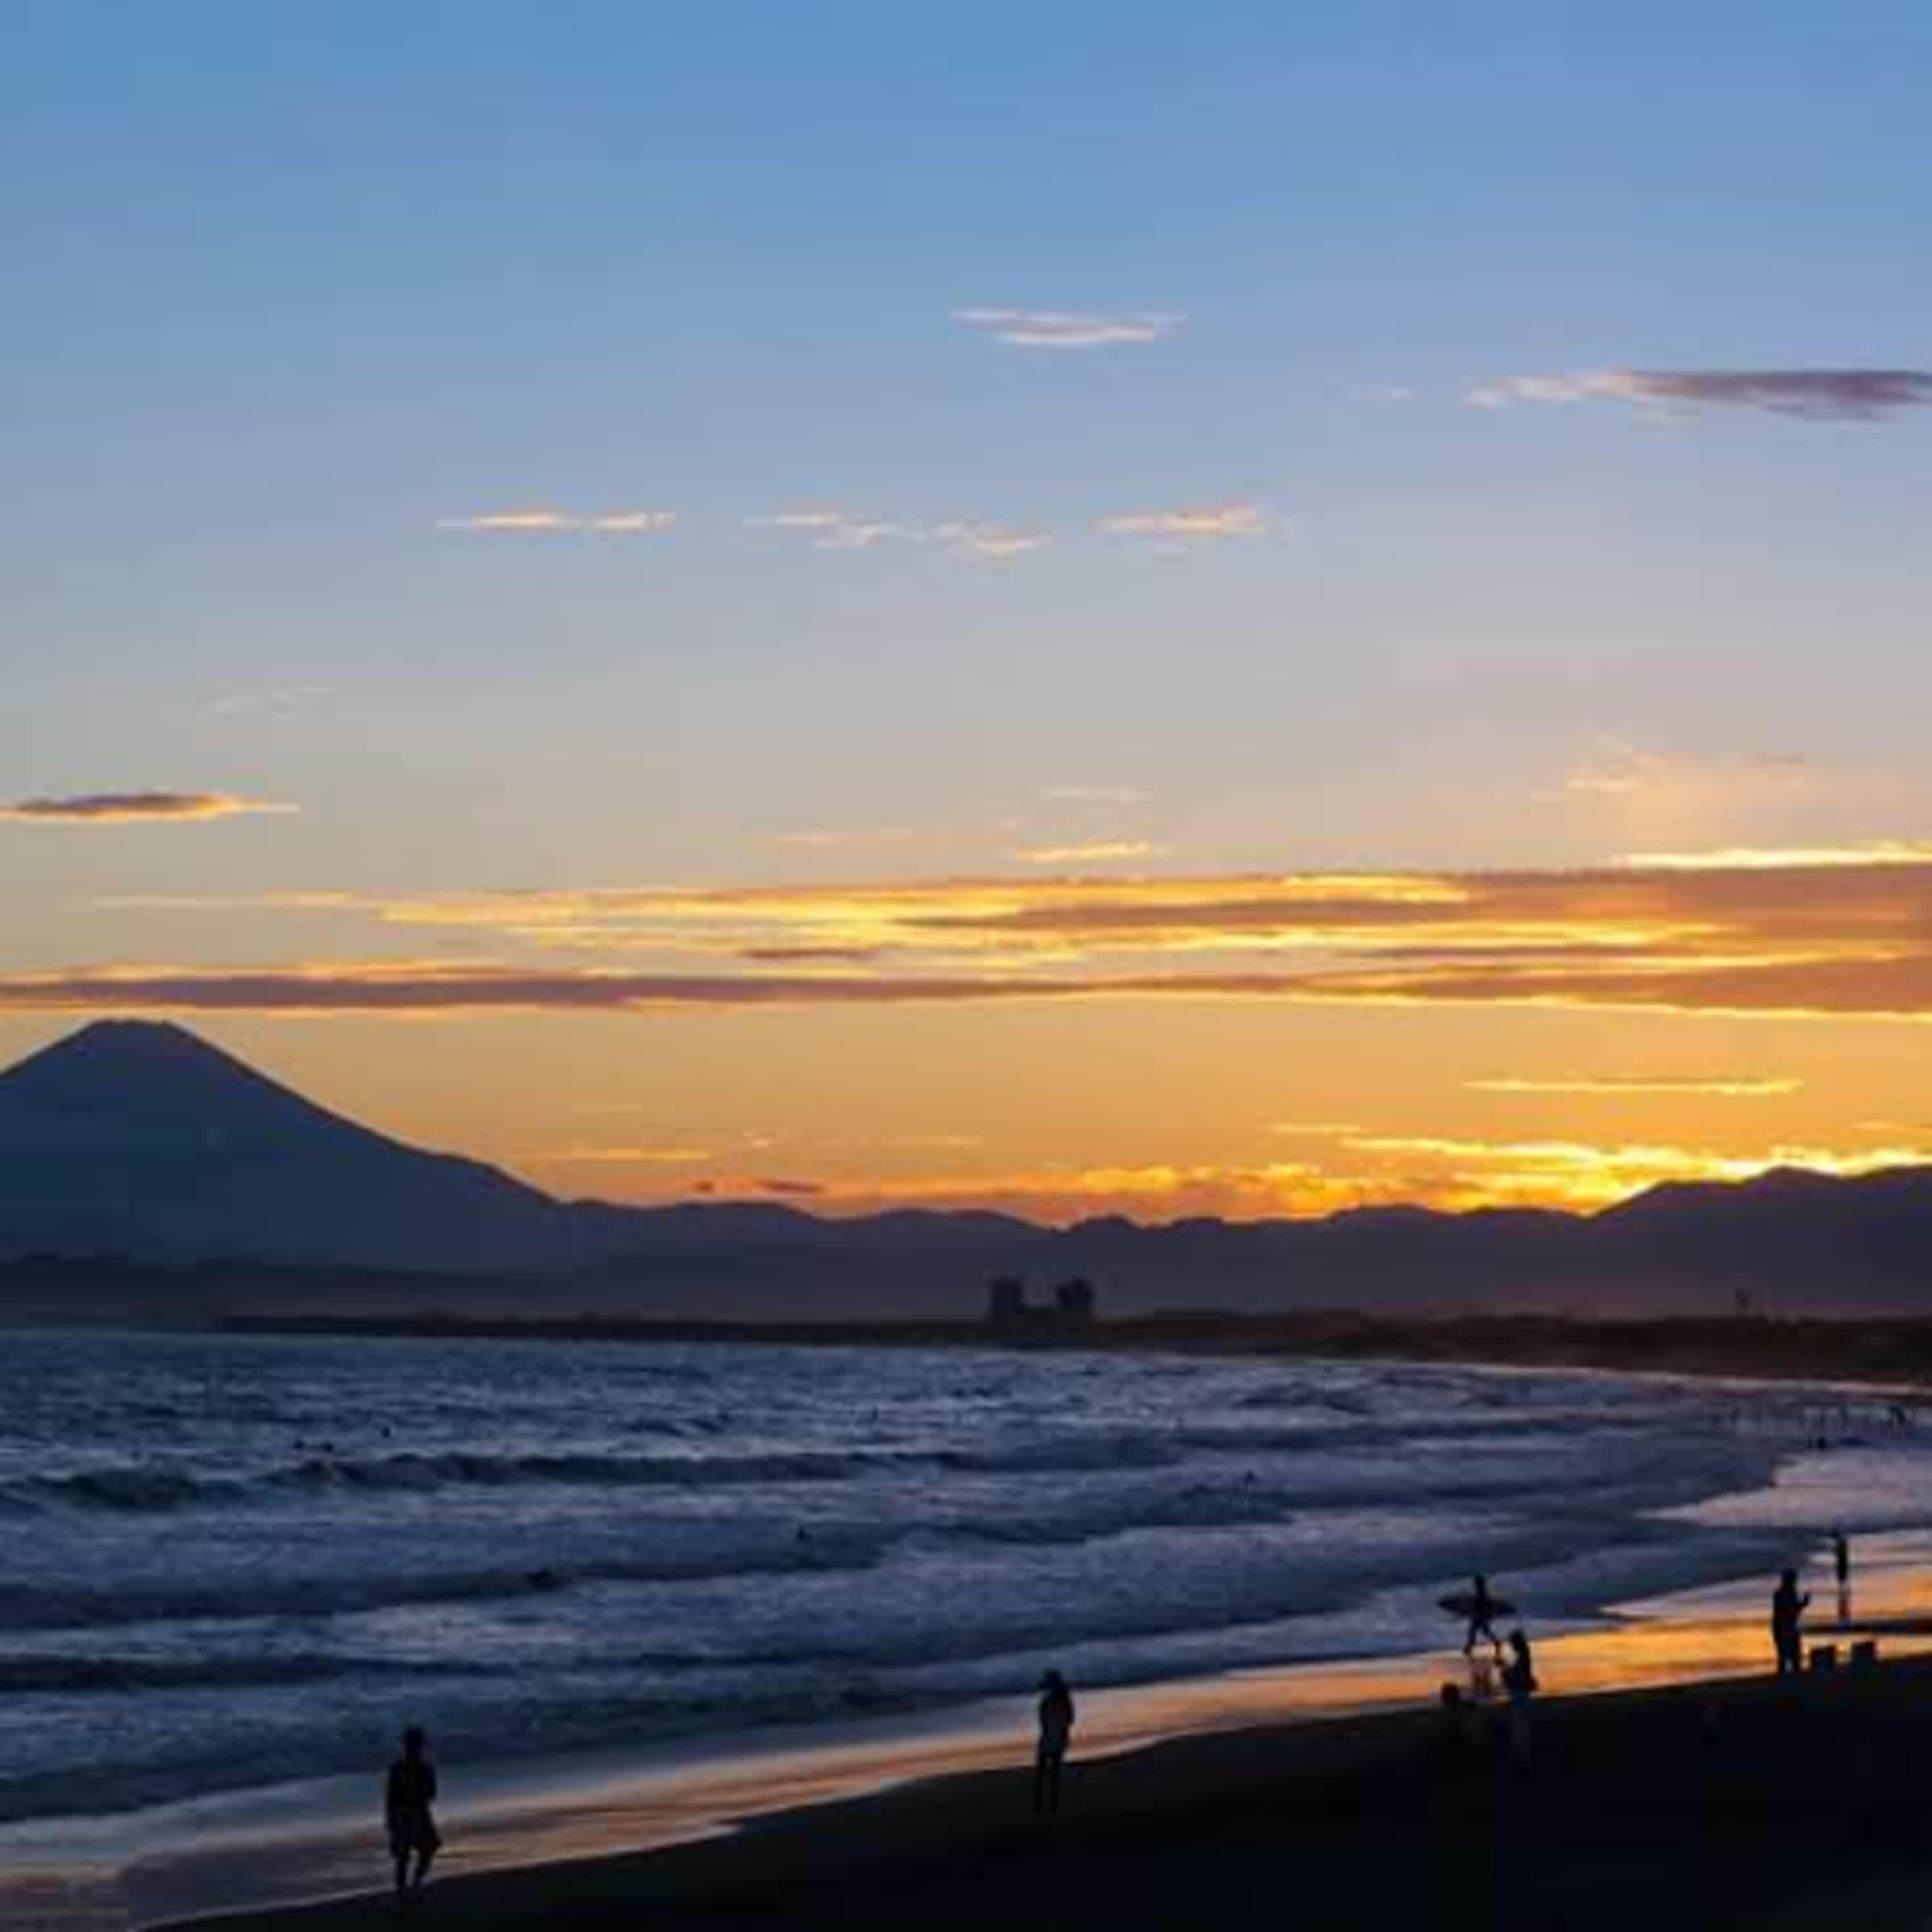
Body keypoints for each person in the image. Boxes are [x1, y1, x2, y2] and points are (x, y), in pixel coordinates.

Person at [385, 1725, 440, 1900]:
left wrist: (391, 1820)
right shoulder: (423, 1768)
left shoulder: (400, 1768)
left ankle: (408, 1888)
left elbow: (390, 1797)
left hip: (410, 1814)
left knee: (409, 1854)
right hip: (414, 1814)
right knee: (415, 1853)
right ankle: (410, 1887)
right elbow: (432, 1794)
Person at [1034, 1669, 1075, 1813]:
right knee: (1055, 1772)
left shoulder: (1046, 1702)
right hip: (1059, 1738)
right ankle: (1053, 1802)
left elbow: (1043, 1721)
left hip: (1048, 1738)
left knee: (1042, 1771)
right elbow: (1070, 1720)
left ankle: (1041, 1801)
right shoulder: (1064, 1701)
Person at [1501, 1628, 1538, 1760]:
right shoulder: (1525, 1654)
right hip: (1522, 1691)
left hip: (1519, 1691)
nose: (1511, 1646)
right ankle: (1523, 1751)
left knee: (1520, 1722)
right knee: (1522, 1721)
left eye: (1512, 1644)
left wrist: (1504, 1670)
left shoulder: (1523, 1656)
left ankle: (1522, 1753)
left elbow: (1515, 1674)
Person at [1771, 1568, 1809, 1675]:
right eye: (1793, 1580)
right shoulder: (1785, 1594)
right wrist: (1804, 1604)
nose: (1795, 1582)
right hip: (1784, 1627)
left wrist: (1803, 1604)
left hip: (1784, 1627)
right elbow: (1791, 1611)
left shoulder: (1782, 1594)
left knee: (1788, 1655)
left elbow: (1792, 1610)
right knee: (1788, 1655)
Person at [1464, 1574, 1501, 1656]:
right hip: (1480, 1616)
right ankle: (1469, 1647)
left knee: (1475, 1631)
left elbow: (1484, 1606)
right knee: (1480, 1631)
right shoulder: (1482, 1592)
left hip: (1480, 1616)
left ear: (1479, 1584)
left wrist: (1481, 1615)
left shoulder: (1482, 1593)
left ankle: (1469, 1648)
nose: (1475, 1584)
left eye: (1476, 1583)